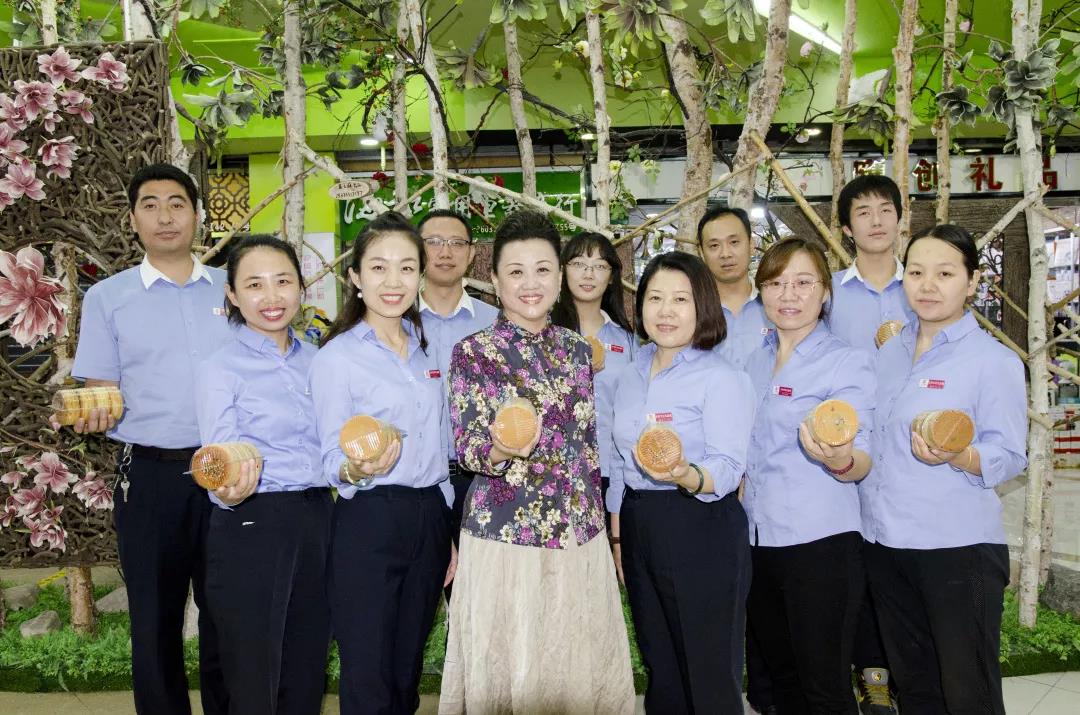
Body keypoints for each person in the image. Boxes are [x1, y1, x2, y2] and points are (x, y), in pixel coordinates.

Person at [439, 210, 635, 715]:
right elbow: (469, 448)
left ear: (559, 276)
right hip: (508, 536)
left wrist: (602, 530)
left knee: (575, 669)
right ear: (494, 279)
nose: (531, 283)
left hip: (578, 535)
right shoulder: (474, 353)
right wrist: (501, 447)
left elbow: (586, 449)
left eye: (543, 269)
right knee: (512, 672)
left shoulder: (577, 351)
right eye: (516, 271)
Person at [58, 163, 229, 715]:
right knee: (154, 619)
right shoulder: (108, 297)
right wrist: (89, 414)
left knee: (229, 615)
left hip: (233, 471)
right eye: (150, 205)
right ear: (132, 219)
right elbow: (100, 391)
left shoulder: (233, 287)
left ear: (197, 215)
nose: (165, 216)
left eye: (177, 203)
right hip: (152, 476)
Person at [863, 224, 1026, 715]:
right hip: (886, 545)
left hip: (958, 550)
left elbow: (1009, 454)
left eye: (945, 273)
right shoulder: (888, 354)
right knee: (915, 687)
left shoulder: (992, 360)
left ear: (972, 282)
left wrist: (959, 455)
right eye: (916, 273)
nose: (928, 285)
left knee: (968, 691)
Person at [309, 212, 453, 715]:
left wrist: (445, 528)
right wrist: (358, 470)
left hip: (429, 515)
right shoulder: (337, 358)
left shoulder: (428, 350)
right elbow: (330, 457)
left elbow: (441, 445)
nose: (394, 282)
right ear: (355, 276)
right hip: (368, 518)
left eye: (406, 268)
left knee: (405, 670)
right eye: (378, 268)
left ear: (420, 276)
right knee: (368, 671)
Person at [608, 250, 755, 713]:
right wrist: (618, 534)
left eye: (680, 299)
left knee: (708, 668)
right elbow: (619, 460)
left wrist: (684, 474)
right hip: (640, 522)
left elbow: (728, 468)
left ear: (702, 306)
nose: (665, 311)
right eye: (655, 298)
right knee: (661, 662)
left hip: (700, 522)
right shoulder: (631, 374)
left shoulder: (722, 377)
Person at [194, 235, 331, 715]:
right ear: (232, 294)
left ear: (301, 289)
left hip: (319, 517)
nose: (271, 297)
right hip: (252, 519)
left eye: (283, 281)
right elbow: (219, 457)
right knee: (254, 671)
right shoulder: (220, 368)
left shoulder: (320, 361)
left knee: (306, 664)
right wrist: (229, 488)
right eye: (254, 284)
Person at [743, 238, 874, 714]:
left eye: (803, 282)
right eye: (775, 284)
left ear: (825, 291)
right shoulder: (754, 361)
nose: (788, 295)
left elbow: (863, 458)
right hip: (758, 542)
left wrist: (838, 458)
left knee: (824, 687)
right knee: (782, 682)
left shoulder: (846, 361)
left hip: (820, 544)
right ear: (761, 292)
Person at [830, 174, 912, 714]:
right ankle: (872, 675)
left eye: (885, 209)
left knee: (906, 566)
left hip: (914, 451)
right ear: (846, 228)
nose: (876, 220)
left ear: (901, 218)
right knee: (856, 566)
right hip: (846, 452)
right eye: (863, 212)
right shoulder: (830, 294)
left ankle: (913, 669)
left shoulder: (923, 286)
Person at [416, 209, 498, 588]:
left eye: (456, 243)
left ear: (471, 253)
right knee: (424, 591)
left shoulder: (495, 323)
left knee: (485, 595)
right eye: (434, 242)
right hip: (421, 482)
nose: (445, 252)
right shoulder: (399, 322)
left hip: (484, 478)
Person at [551, 231, 637, 510]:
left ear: (611, 277)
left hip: (613, 468)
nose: (588, 274)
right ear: (563, 271)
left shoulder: (627, 340)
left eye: (600, 266)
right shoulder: (545, 334)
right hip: (556, 469)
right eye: (579, 264)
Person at [698, 205, 771, 369]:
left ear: (751, 245)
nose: (725, 254)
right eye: (714, 246)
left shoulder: (776, 304)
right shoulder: (692, 311)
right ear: (701, 252)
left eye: (734, 242)